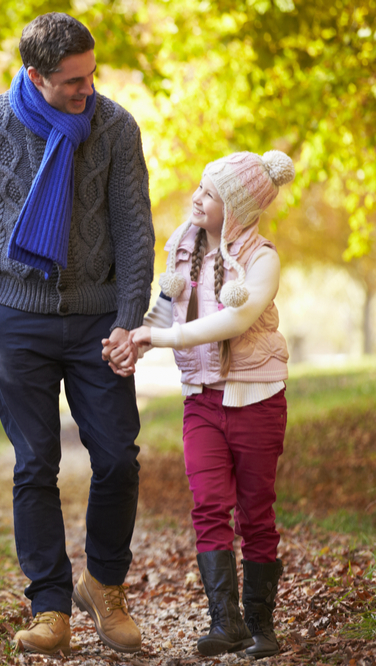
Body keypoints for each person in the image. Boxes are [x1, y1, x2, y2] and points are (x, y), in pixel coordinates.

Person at [0, 12, 154, 655]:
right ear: (35, 76)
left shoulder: (114, 126)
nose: (86, 90)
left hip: (97, 322)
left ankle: (105, 585)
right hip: (18, 320)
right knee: (35, 463)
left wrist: (127, 322)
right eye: (72, 82)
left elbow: (134, 231)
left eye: (91, 76)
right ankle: (50, 605)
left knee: (117, 456)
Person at [113, 150, 294, 659]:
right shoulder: (184, 249)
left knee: (255, 513)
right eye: (199, 186)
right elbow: (164, 309)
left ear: (235, 208)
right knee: (209, 507)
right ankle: (226, 622)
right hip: (202, 403)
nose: (197, 197)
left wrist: (162, 337)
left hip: (257, 399)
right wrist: (134, 339)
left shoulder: (262, 258)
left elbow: (234, 322)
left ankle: (261, 624)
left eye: (211, 194)